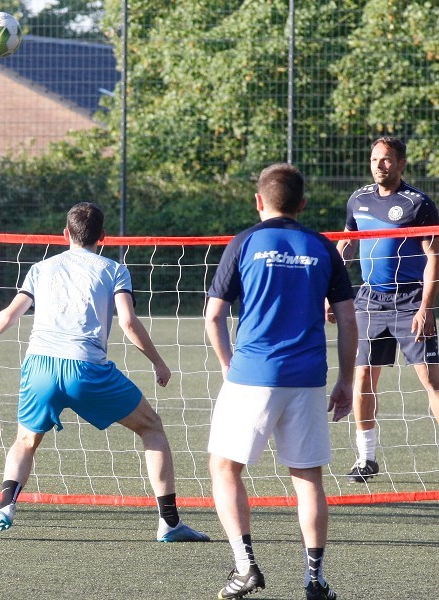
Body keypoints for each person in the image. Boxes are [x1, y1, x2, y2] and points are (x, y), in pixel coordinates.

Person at [0, 202, 209, 543]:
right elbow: (127, 321)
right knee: (151, 426)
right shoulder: (114, 269)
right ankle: (169, 523)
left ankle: (4, 507)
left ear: (65, 234)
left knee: (26, 440)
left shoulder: (40, 268)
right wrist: (157, 361)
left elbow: (10, 313)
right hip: (86, 368)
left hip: (39, 366)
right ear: (104, 237)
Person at [205, 163, 357, 600]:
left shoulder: (245, 242)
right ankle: (315, 580)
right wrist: (346, 379)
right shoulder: (322, 246)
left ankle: (244, 566)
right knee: (308, 478)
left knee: (224, 467)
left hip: (252, 374)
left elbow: (214, 316)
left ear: (258, 201)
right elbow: (347, 318)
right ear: (302, 204)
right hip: (308, 377)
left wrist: (228, 364)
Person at [333, 136, 439, 483]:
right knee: (362, 378)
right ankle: (366, 459)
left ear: (401, 163)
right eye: (375, 159)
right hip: (370, 301)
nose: (380, 165)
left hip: (410, 301)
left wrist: (426, 306)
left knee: (432, 381)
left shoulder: (417, 203)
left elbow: (433, 257)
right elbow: (346, 243)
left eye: (388, 159)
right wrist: (329, 290)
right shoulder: (358, 199)